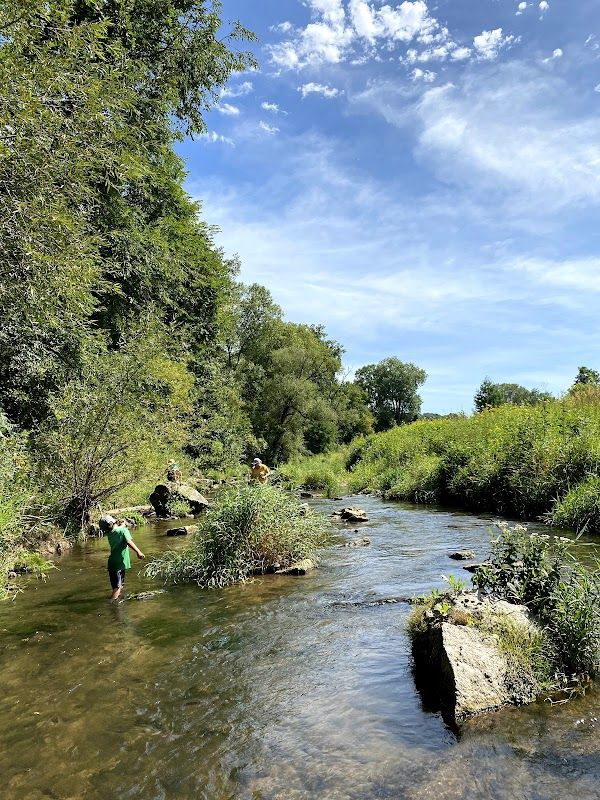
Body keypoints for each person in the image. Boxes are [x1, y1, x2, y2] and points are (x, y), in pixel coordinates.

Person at [99, 515, 145, 601]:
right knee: (118, 587)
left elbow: (117, 529)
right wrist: (138, 552)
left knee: (117, 586)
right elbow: (128, 541)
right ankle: (113, 604)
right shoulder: (123, 531)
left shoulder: (110, 533)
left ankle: (118, 599)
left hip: (112, 563)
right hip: (119, 563)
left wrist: (123, 525)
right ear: (113, 522)